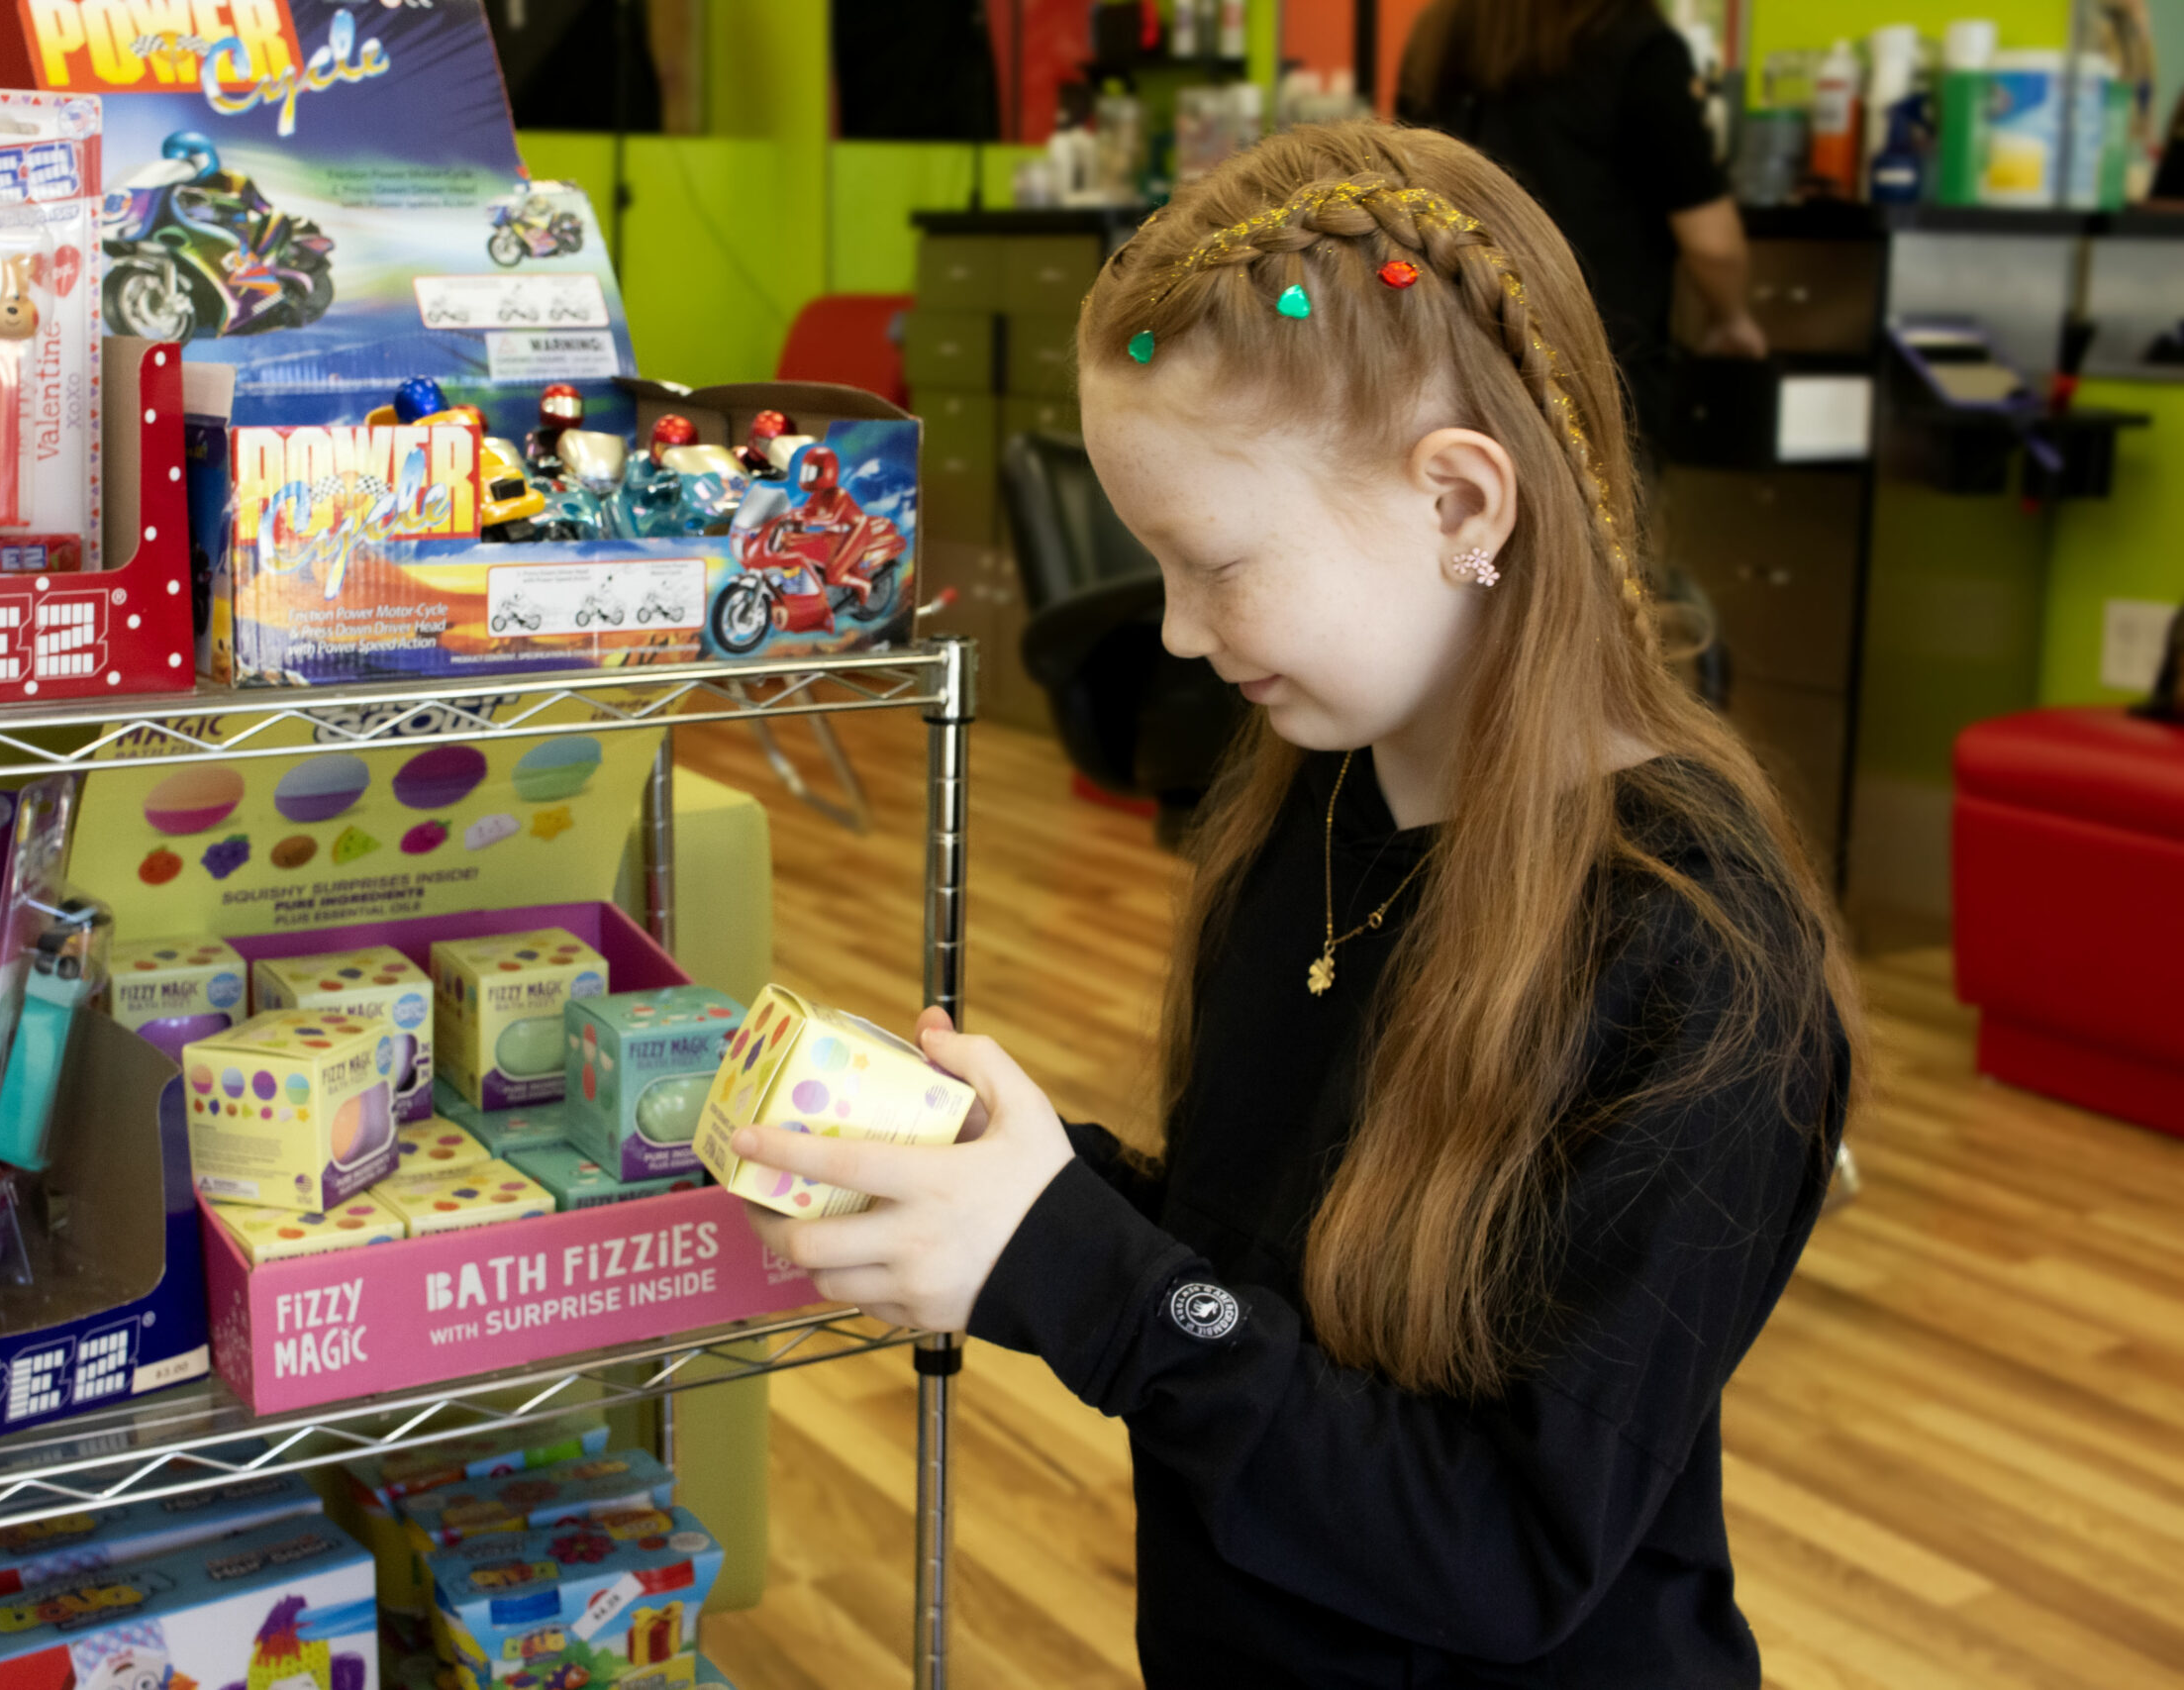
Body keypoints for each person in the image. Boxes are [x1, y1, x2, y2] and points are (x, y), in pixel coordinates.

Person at [734, 121, 1859, 1686]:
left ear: (1463, 504)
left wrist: (1082, 1272)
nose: (1183, 635)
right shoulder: (1312, 800)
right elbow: (1258, 1275)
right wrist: (1026, 1191)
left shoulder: (1697, 957)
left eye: (1218, 565)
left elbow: (1499, 1543)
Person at [1399, 0, 1766, 446]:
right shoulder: (1636, 44)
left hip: (1455, 364)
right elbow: (1714, 245)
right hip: (1599, 374)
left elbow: (1409, 192)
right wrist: (1730, 318)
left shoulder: (1438, 39)